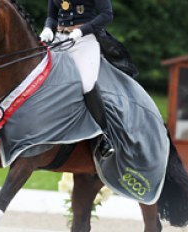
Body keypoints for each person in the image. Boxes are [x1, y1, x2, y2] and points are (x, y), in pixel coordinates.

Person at [40, 0, 115, 157]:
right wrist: (48, 28)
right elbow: (52, 16)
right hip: (59, 38)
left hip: (84, 40)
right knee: (40, 77)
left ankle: (104, 136)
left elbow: (106, 15)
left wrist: (83, 30)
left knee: (87, 84)